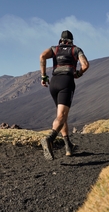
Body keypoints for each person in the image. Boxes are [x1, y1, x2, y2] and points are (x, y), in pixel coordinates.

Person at [39, 30, 90, 160]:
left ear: (60, 40)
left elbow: (42, 56)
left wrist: (44, 76)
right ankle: (50, 139)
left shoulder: (54, 49)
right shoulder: (76, 50)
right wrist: (78, 74)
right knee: (62, 116)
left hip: (54, 82)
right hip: (66, 82)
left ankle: (68, 147)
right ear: (71, 41)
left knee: (61, 115)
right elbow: (85, 65)